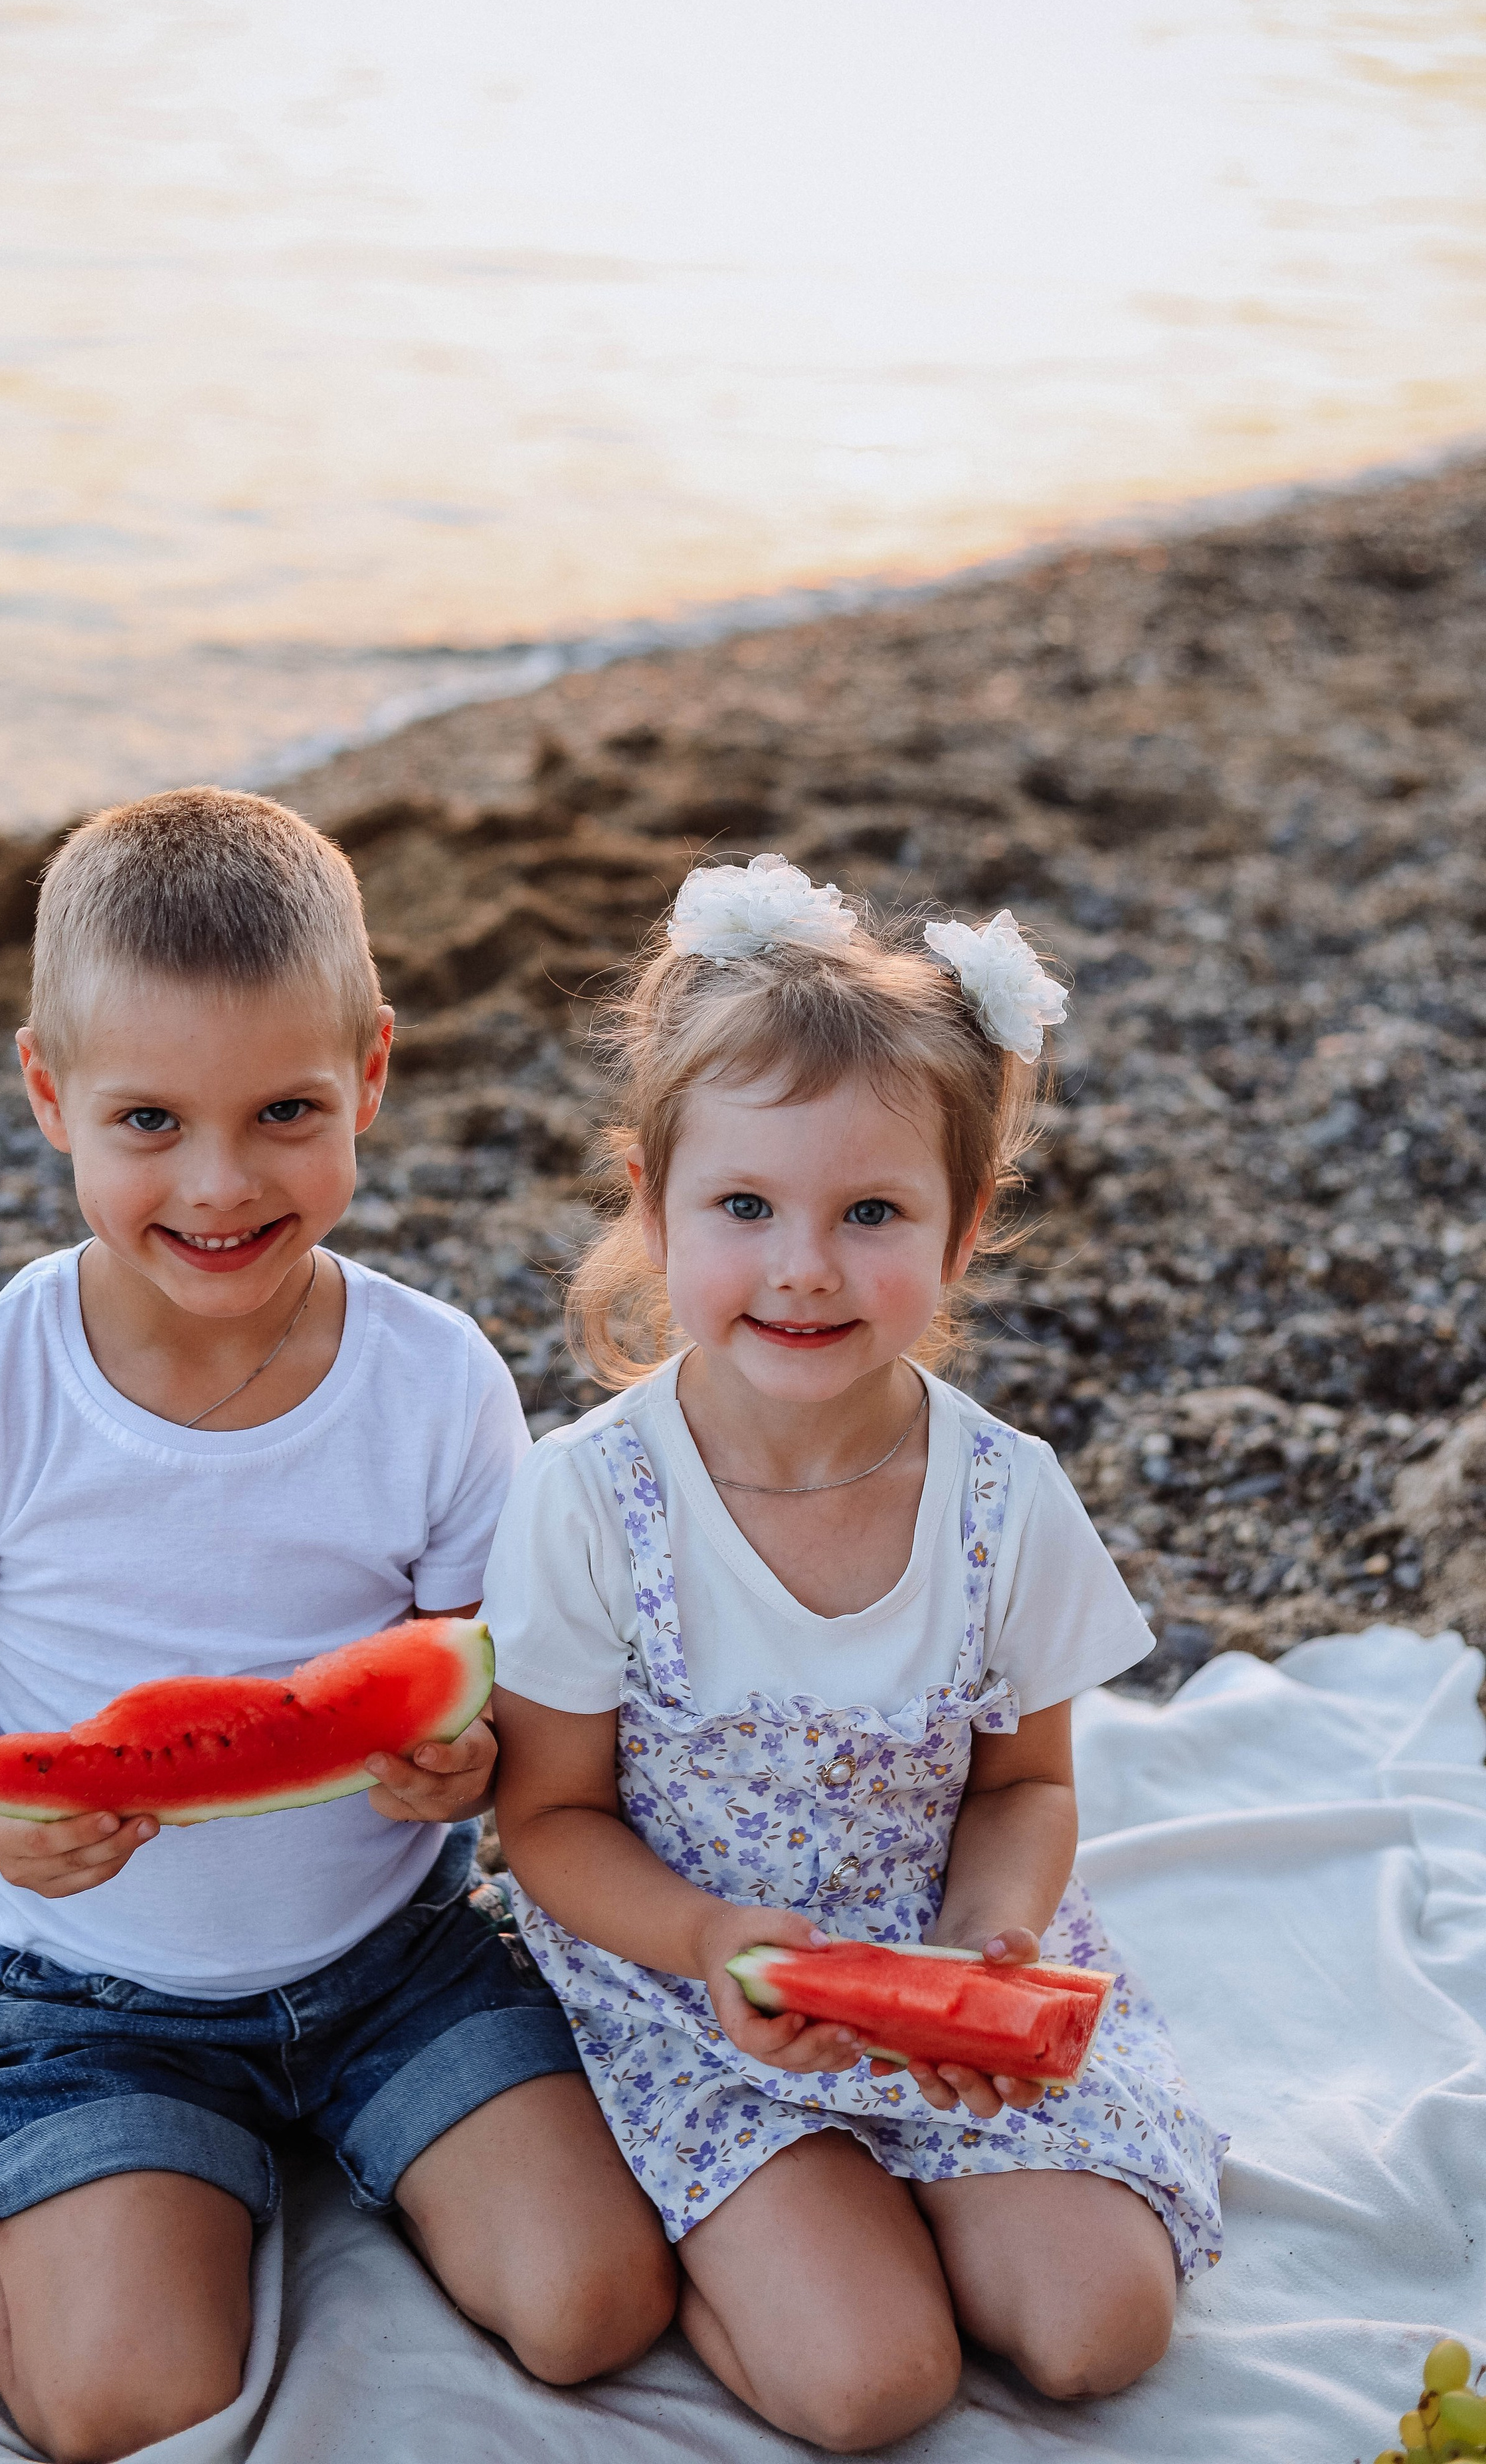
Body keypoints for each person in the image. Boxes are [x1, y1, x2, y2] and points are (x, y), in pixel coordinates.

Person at [0, 788, 674, 2464]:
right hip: (92, 1999)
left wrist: (464, 1763)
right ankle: (50, 2230)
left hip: (397, 1961)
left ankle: (297, 2163)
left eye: (285, 1112)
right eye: (147, 1121)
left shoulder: (434, 1381)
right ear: (48, 1095)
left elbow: (478, 1675)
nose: (219, 1185)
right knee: (127, 2405)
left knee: (595, 2308)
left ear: (371, 1073)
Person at [484, 856, 1227, 2455]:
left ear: (964, 1229)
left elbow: (1024, 1785)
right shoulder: (588, 1498)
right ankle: (734, 2258)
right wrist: (706, 1942)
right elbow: (543, 1819)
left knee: (1097, 2331)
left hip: (938, 1955)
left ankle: (914, 2208)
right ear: (651, 1203)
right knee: (869, 2383)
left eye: (870, 1213)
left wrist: (989, 1939)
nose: (803, 1266)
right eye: (743, 1208)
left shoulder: (1003, 1496)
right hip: (690, 1986)